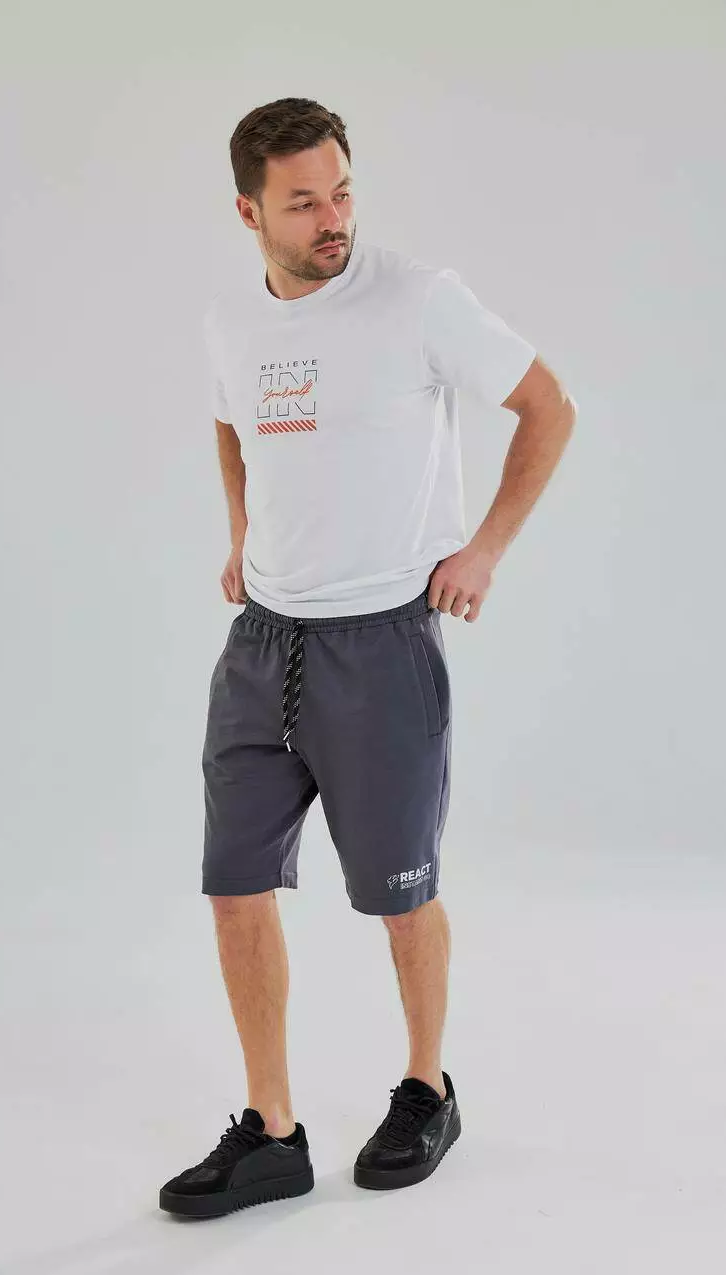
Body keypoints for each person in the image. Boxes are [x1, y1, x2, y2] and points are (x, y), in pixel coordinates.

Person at [159, 97, 576, 1220]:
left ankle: (426, 1088)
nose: (333, 217)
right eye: (303, 203)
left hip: (382, 642)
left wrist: (483, 550)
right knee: (234, 888)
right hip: (262, 644)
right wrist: (240, 533)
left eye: (342, 191)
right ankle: (271, 1131)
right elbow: (229, 422)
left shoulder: (416, 298)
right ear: (248, 212)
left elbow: (547, 406)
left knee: (401, 893)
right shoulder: (228, 322)